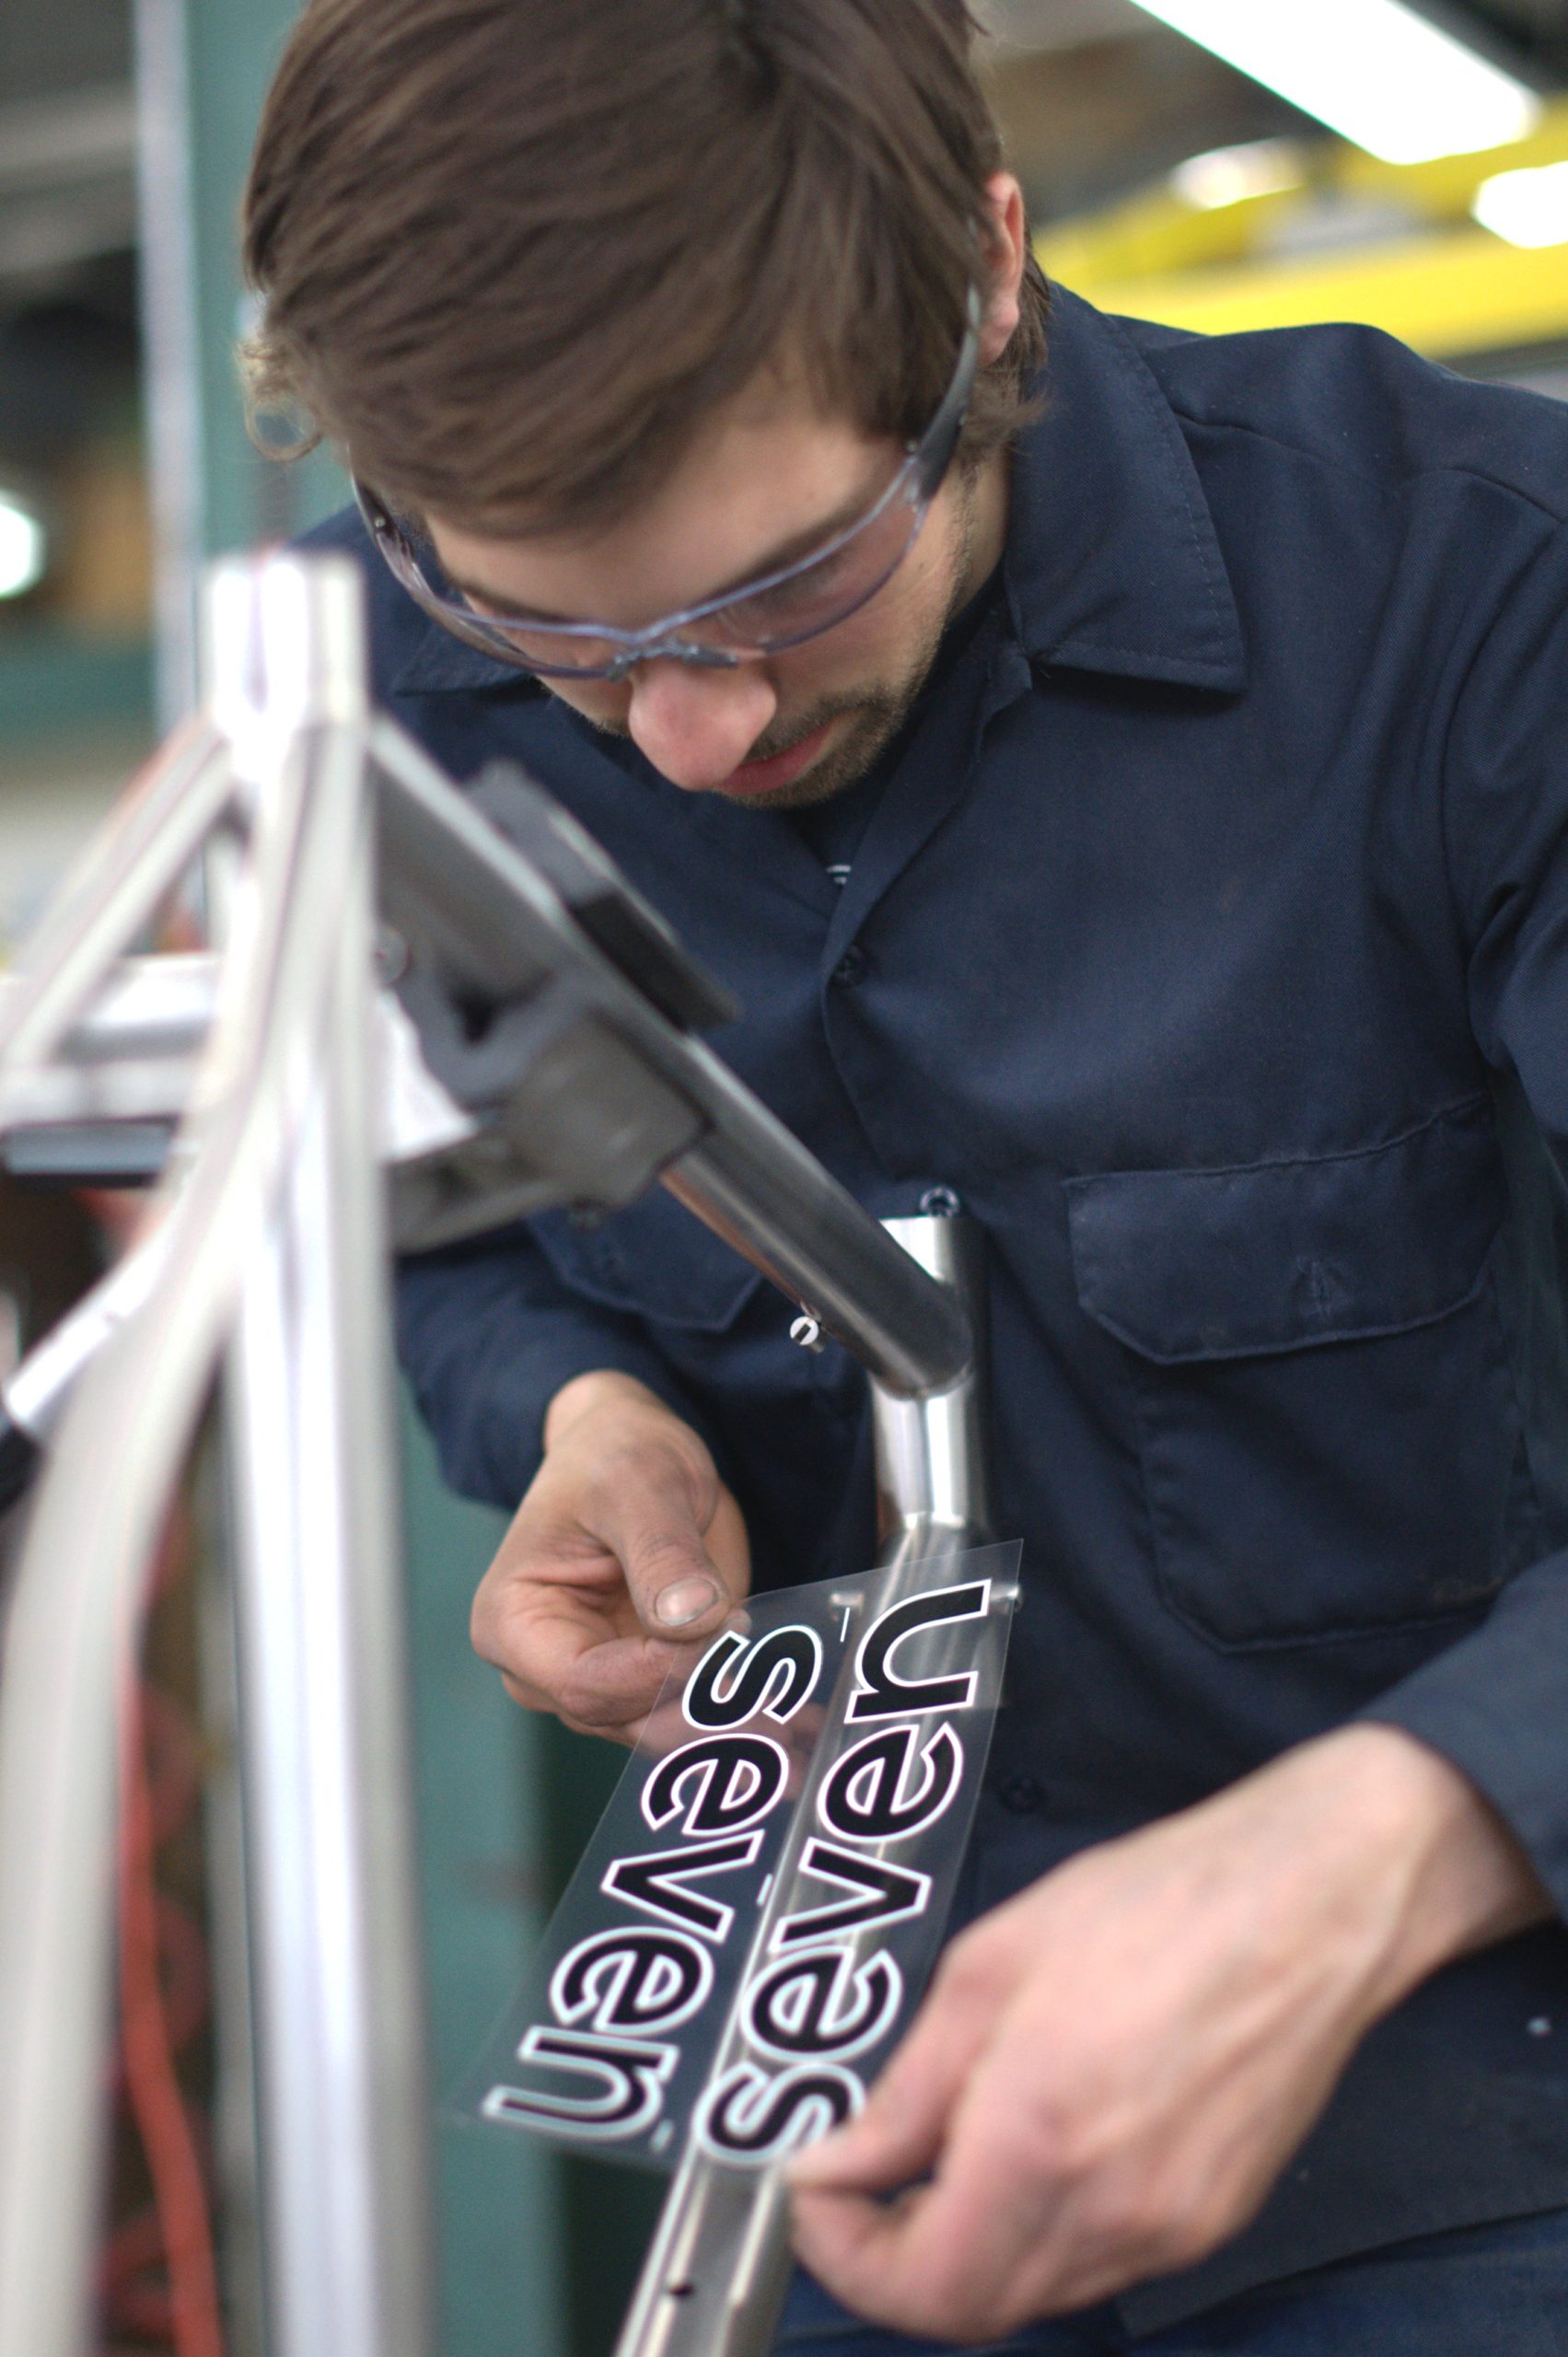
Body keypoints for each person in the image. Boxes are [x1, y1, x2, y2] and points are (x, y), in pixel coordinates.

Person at [242, 2, 1568, 2347]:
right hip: (836, 2148)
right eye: (556, 629)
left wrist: (1387, 1848)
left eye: (786, 586)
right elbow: (420, 1203)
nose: (689, 727)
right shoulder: (366, 687)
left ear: (988, 281)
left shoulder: (1472, 611)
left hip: (1468, 2135)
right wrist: (567, 1404)